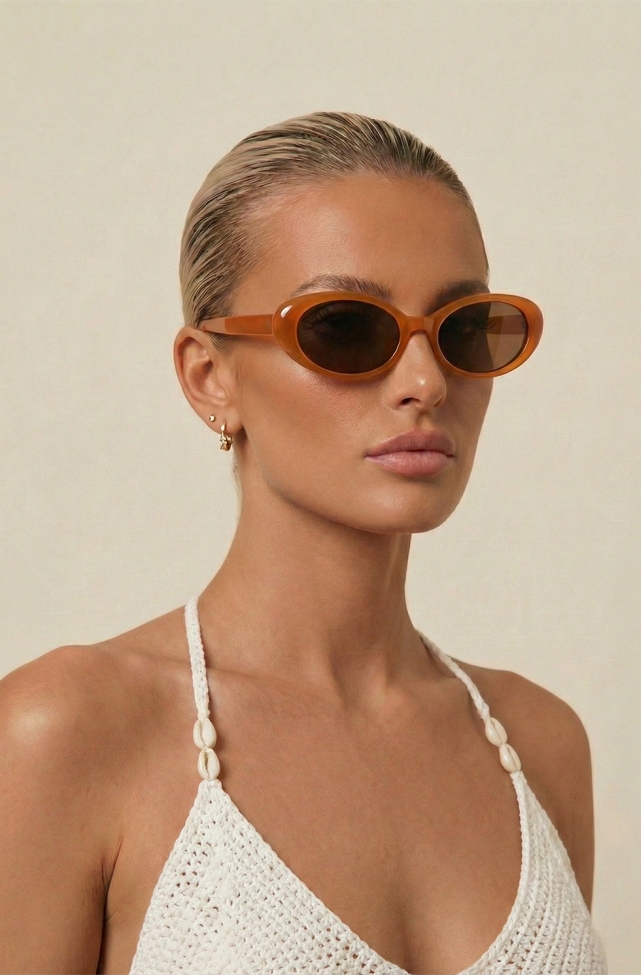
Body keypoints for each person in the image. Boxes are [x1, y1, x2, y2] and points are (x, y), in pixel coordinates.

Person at [0, 113, 607, 975]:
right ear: (210, 375)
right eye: (346, 328)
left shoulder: (538, 746)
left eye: (465, 328)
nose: (427, 381)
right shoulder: (65, 733)